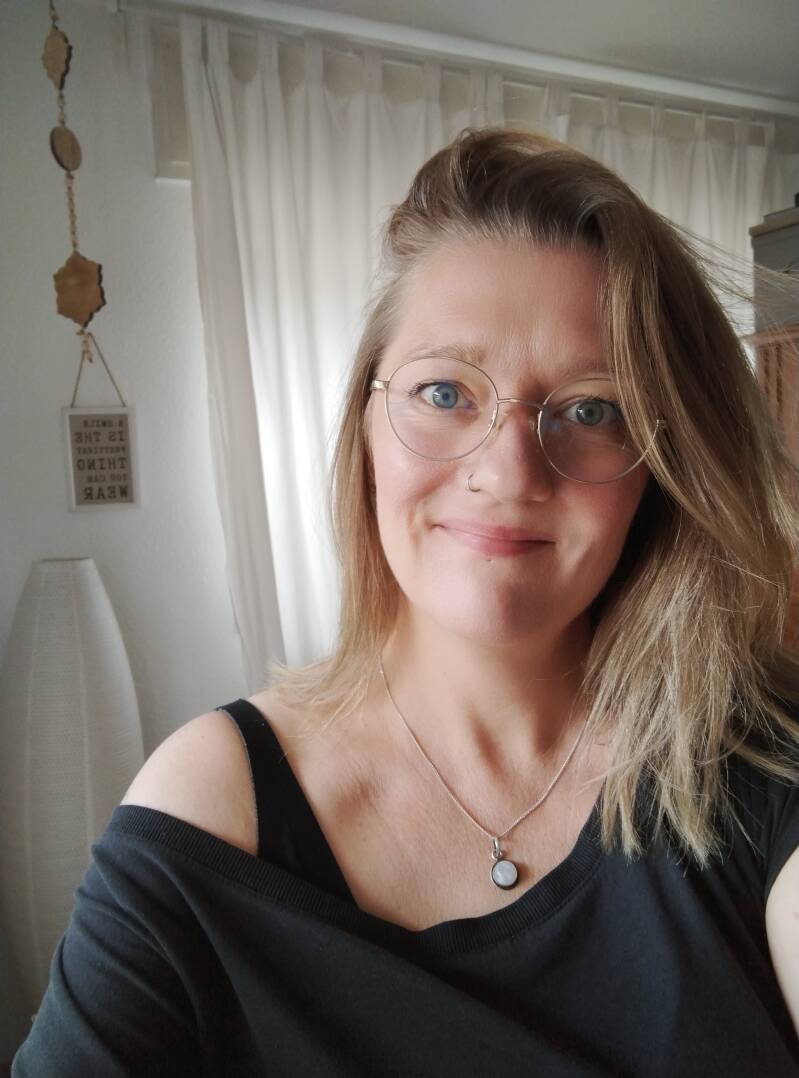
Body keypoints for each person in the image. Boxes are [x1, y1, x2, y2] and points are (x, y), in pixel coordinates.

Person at [12, 126, 799, 1077]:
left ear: (660, 471)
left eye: (592, 409)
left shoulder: (760, 760)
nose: (507, 472)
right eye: (443, 393)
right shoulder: (214, 805)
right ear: (366, 431)